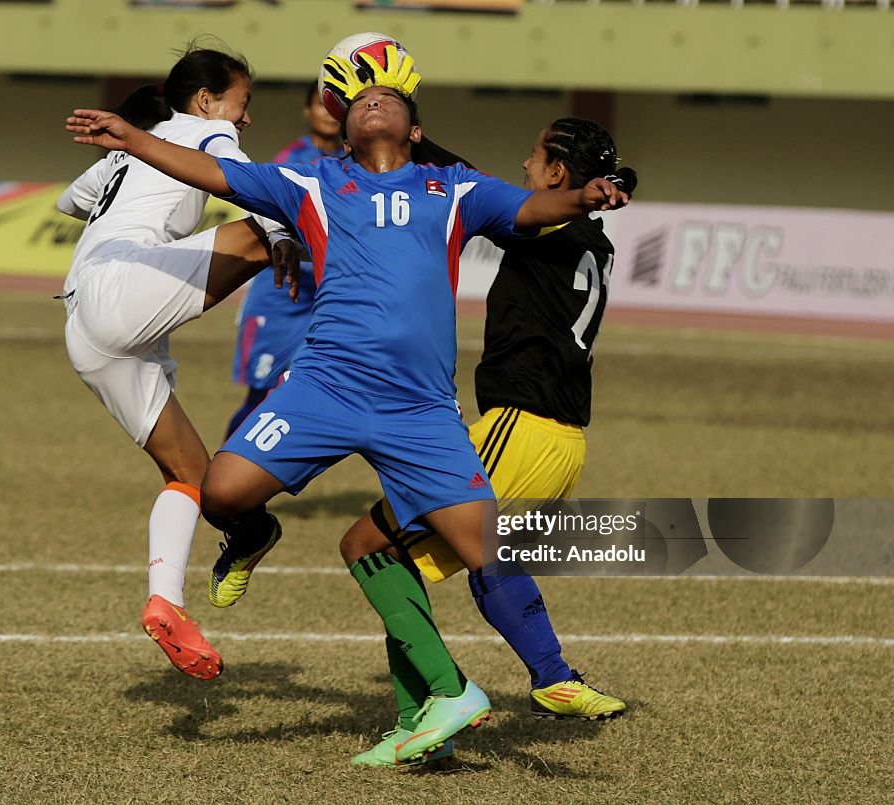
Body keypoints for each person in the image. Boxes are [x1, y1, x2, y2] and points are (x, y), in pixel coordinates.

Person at [66, 80, 628, 761]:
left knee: (484, 550)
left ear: (415, 129)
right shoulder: (311, 180)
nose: (372, 99)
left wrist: (583, 196)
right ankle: (263, 541)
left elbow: (534, 206)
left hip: (420, 409)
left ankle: (491, 690)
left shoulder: (451, 188)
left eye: (389, 97)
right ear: (347, 128)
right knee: (220, 491)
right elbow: (219, 173)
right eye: (361, 98)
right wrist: (135, 139)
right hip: (326, 387)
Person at [339, 117, 636, 764]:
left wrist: (413, 144)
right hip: (563, 445)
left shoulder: (549, 220)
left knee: (376, 549)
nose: (522, 170)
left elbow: (469, 179)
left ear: (558, 174)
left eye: (532, 159)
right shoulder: (592, 236)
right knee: (483, 561)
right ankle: (546, 681)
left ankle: (434, 713)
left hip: (518, 427)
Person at [58, 46, 296, 682]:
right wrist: (277, 239)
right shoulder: (202, 128)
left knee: (191, 474)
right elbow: (248, 178)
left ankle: (168, 603)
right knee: (271, 224)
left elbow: (70, 202)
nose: (243, 119)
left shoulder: (134, 146)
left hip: (85, 321)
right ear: (206, 100)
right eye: (242, 104)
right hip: (119, 292)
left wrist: (129, 173)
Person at [226, 81, 343, 437]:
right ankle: (222, 481)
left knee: (313, 398)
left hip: (324, 303)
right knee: (261, 397)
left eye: (333, 105)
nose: (326, 112)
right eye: (319, 104)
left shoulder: (352, 165)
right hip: (280, 298)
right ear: (308, 111)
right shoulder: (291, 159)